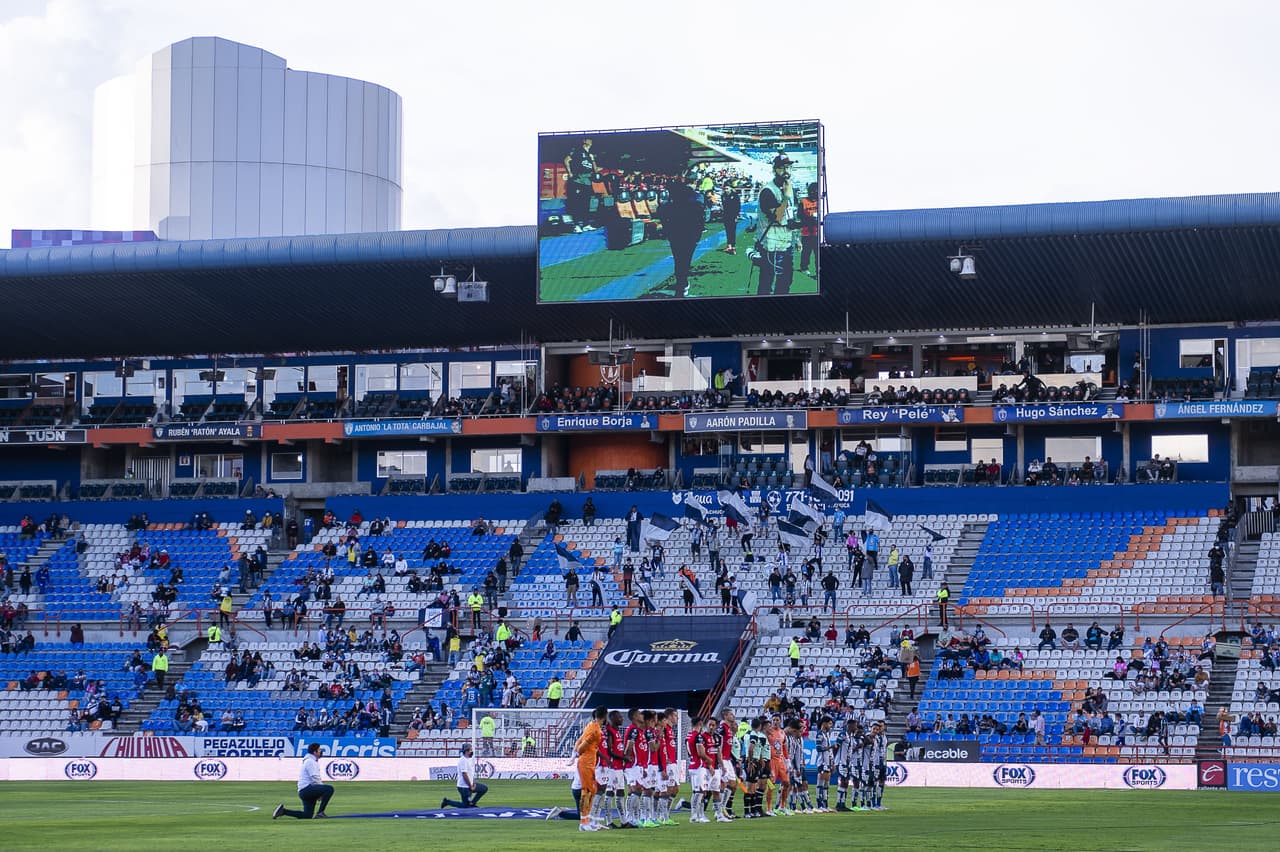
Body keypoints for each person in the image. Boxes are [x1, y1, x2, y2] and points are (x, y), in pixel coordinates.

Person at [755, 153, 797, 296]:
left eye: (788, 167)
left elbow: (790, 217)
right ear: (774, 170)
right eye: (781, 168)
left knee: (786, 281)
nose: (786, 171)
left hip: (786, 243)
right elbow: (778, 217)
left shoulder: (788, 187)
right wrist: (786, 197)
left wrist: (796, 239)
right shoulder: (768, 191)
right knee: (767, 283)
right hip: (771, 246)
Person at [273, 742, 334, 819]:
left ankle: (284, 811)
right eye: (319, 750)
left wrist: (319, 792)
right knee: (329, 789)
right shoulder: (310, 761)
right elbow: (315, 777)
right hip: (307, 789)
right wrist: (321, 791)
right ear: (315, 752)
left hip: (304, 791)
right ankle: (320, 812)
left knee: (307, 815)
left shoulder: (309, 761)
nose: (321, 752)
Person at [563, 137, 598, 232]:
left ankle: (586, 224)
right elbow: (566, 160)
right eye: (588, 139)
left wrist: (593, 159)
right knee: (576, 203)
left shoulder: (590, 155)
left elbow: (595, 170)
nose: (591, 141)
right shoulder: (577, 151)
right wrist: (570, 172)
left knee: (586, 204)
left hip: (587, 181)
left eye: (591, 139)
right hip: (578, 180)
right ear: (584, 141)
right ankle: (576, 225)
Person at [441, 743, 488, 809]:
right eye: (470, 750)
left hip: (468, 785)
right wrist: (470, 786)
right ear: (466, 751)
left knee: (484, 788)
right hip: (464, 787)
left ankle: (472, 803)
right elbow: (464, 774)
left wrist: (473, 782)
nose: (472, 752)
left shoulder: (468, 760)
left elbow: (470, 773)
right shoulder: (463, 760)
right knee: (465, 806)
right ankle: (447, 802)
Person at [798, 182, 820, 274]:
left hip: (817, 232)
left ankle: (817, 270)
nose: (814, 193)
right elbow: (799, 215)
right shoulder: (803, 202)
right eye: (813, 191)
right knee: (806, 252)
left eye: (816, 191)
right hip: (806, 232)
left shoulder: (820, 202)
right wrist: (809, 218)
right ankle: (804, 267)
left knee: (817, 253)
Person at [720, 184, 742, 255]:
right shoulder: (723, 196)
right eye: (725, 188)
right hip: (726, 215)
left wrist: (737, 215)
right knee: (727, 230)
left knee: (732, 230)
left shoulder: (735, 195)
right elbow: (723, 205)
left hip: (733, 215)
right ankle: (729, 245)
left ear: (731, 188)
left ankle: (733, 246)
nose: (726, 190)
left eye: (727, 188)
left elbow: (738, 206)